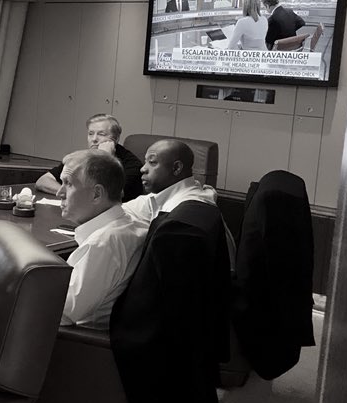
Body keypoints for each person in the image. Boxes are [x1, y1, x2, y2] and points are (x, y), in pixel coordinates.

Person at [58, 149, 146, 329]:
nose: (59, 192)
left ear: (97, 194)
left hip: (80, 345)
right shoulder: (131, 225)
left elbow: (63, 313)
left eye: (68, 184)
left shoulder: (103, 243)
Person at [124, 138, 236, 266]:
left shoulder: (183, 217)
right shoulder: (176, 192)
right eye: (145, 162)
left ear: (177, 168)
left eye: (152, 162)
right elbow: (124, 210)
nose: (143, 169)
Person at [35, 113, 143, 202]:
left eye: (101, 134)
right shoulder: (83, 157)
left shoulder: (132, 165)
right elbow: (43, 181)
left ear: (116, 138)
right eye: (91, 134)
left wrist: (104, 159)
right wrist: (67, 193)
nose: (94, 139)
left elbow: (109, 196)